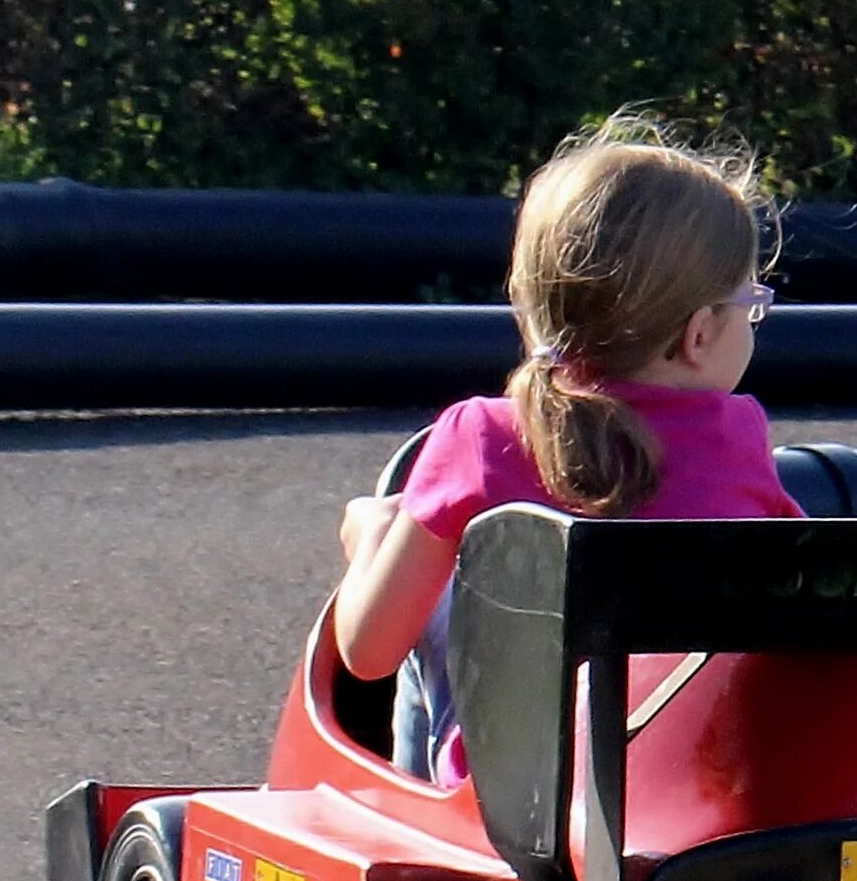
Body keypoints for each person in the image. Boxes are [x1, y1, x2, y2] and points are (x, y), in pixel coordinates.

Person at [334, 112, 803, 781]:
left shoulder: (476, 437)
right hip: (689, 784)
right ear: (700, 335)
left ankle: (405, 805)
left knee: (427, 602)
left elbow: (366, 651)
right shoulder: (737, 440)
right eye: (752, 304)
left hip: (513, 802)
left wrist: (370, 542)